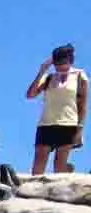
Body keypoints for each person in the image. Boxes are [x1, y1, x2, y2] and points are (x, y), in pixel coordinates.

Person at [28, 43, 86, 175]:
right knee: (37, 167)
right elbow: (30, 95)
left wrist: (79, 129)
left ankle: (67, 173)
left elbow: (82, 105)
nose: (60, 67)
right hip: (46, 124)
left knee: (59, 167)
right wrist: (42, 70)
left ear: (70, 61)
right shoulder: (49, 77)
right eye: (57, 64)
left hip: (68, 123)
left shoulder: (79, 76)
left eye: (63, 63)